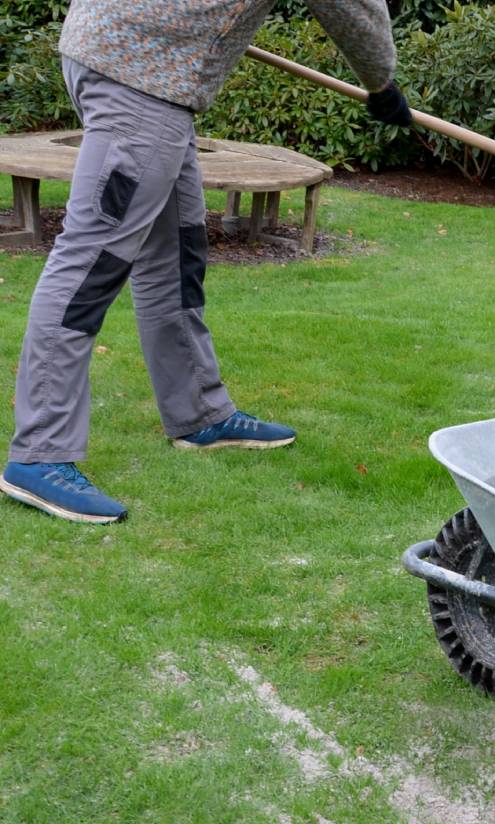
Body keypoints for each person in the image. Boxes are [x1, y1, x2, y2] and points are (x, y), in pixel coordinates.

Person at [1, 0, 413, 525]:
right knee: (91, 264)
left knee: (177, 256)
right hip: (139, 78)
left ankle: (199, 412)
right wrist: (382, 84)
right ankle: (40, 455)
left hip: (133, 67)